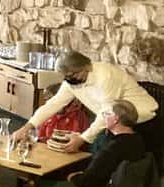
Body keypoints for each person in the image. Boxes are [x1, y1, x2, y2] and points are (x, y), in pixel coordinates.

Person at [12, 50, 160, 156]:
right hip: (113, 121)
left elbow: (106, 111)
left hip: (141, 120)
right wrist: (26, 127)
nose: (68, 80)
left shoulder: (106, 76)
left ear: (87, 67)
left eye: (72, 75)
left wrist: (83, 138)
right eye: (65, 76)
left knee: (112, 161)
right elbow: (53, 104)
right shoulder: (72, 81)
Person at [66, 100, 148, 187]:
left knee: (64, 179)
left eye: (107, 114)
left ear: (116, 119)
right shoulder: (138, 140)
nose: (104, 117)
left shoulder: (113, 148)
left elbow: (87, 181)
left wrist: (72, 177)